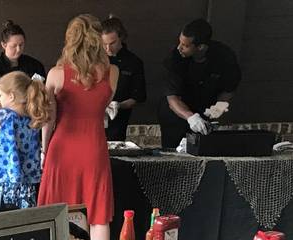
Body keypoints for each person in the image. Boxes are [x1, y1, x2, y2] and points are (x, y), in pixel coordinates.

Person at [37, 14, 118, 240]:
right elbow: (103, 103)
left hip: (62, 149)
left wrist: (44, 149)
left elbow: (48, 120)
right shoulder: (112, 72)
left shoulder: (56, 74)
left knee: (55, 211)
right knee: (98, 214)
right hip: (94, 147)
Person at [158, 18, 241, 149]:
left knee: (203, 151)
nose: (179, 47)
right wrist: (190, 117)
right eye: (179, 42)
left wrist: (216, 110)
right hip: (176, 114)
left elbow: (229, 90)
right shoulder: (175, 58)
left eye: (185, 45)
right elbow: (172, 98)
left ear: (201, 47)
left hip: (206, 110)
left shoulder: (224, 57)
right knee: (173, 153)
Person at [0, 71, 50, 210]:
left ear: (11, 96)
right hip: (26, 183)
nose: (0, 99)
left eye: (1, 95)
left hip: (1, 180)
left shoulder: (1, 116)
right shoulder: (33, 119)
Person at [101, 15, 146, 141]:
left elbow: (138, 96)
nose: (108, 48)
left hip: (118, 120)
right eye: (104, 44)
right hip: (93, 118)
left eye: (112, 43)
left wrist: (118, 105)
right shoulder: (95, 60)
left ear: (121, 38)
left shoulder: (134, 62)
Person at [0, 20, 46, 102]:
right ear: (4, 45)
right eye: (14, 46)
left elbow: (43, 91)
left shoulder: (35, 65)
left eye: (21, 45)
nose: (18, 49)